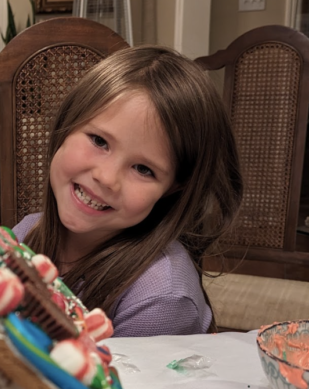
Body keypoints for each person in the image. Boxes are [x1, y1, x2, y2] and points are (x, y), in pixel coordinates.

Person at [14, 46, 242, 337]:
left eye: (143, 169)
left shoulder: (160, 299)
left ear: (173, 188)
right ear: (66, 125)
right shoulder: (25, 233)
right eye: (99, 140)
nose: (107, 178)